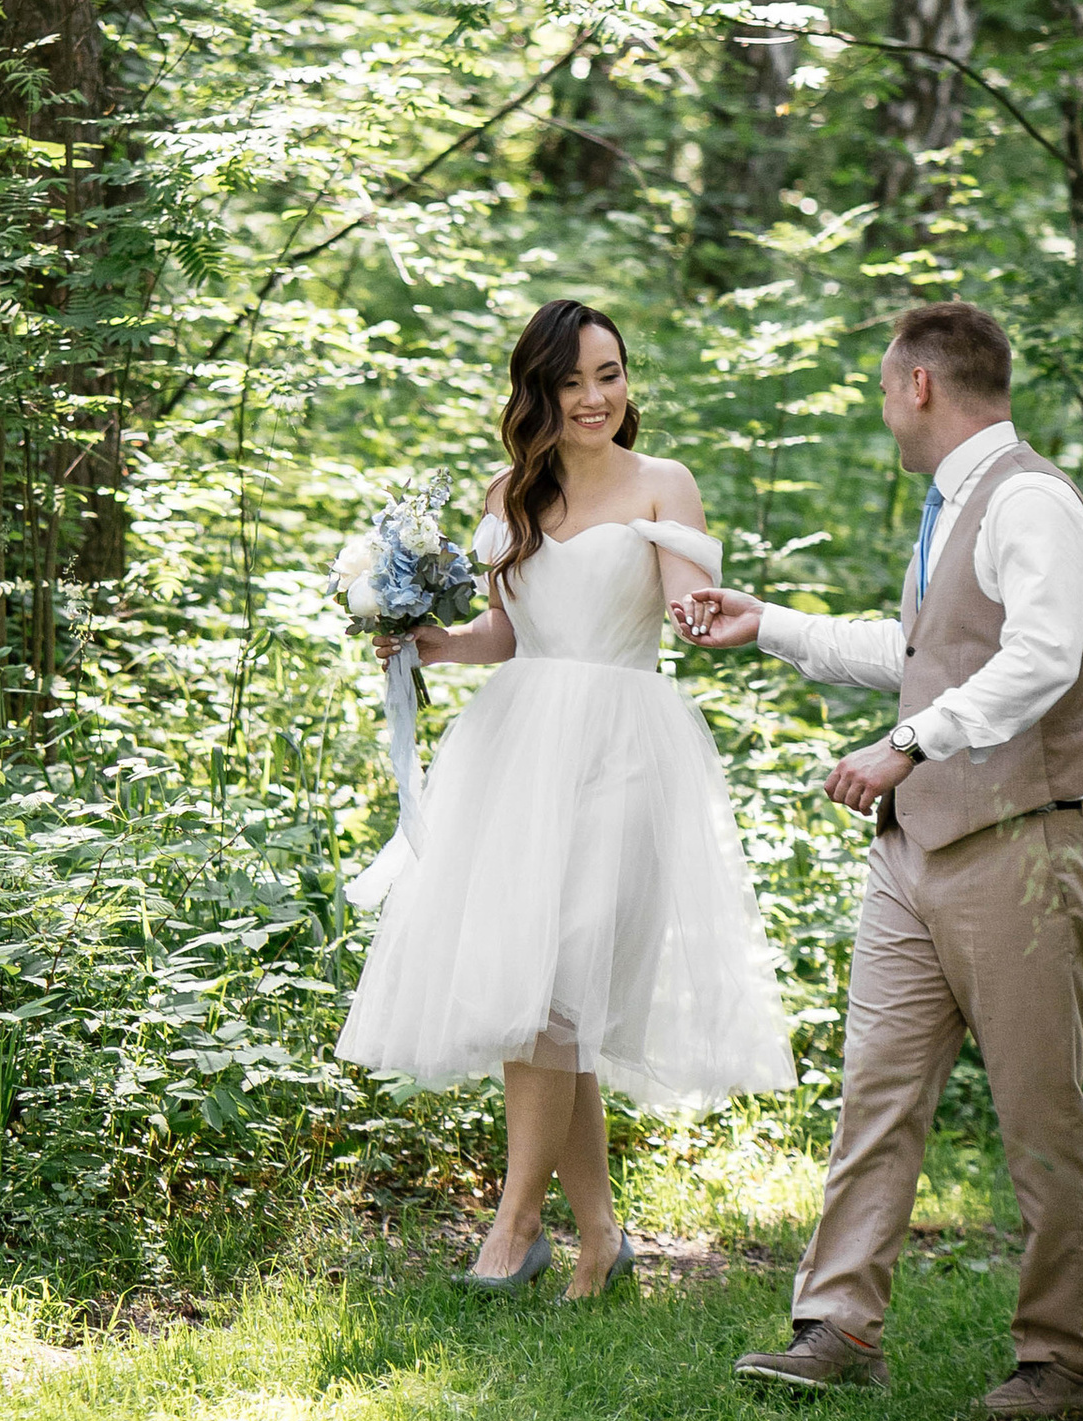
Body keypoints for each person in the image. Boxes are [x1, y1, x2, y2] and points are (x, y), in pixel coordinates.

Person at [678, 298, 1083, 1421]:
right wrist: (765, 622)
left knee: (1038, 1113)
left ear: (919, 384)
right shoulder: (951, 506)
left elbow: (1037, 659)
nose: (882, 404)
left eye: (882, 385)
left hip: (1027, 848)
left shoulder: (1029, 500)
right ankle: (839, 1327)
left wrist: (909, 743)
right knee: (874, 1094)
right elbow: (921, 654)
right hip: (913, 856)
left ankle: (1062, 1361)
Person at [337, 299, 795, 1295]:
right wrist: (426, 639)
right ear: (536, 391)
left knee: (557, 990)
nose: (595, 397)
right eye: (572, 380)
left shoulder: (663, 484)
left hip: (622, 747)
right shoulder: (511, 492)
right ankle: (597, 1234)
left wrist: (703, 607)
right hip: (516, 746)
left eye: (610, 374)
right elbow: (503, 633)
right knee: (548, 993)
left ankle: (511, 1228)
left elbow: (686, 613)